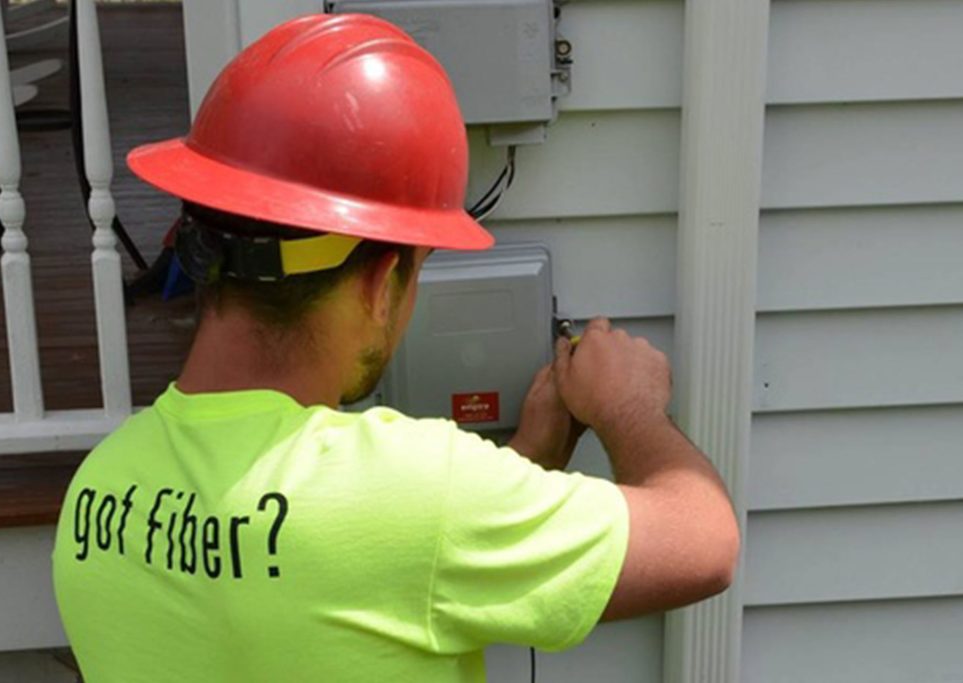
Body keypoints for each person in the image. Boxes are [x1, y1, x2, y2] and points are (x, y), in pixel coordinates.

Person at [52, 13, 739, 683]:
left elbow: (341, 582)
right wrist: (630, 406)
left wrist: (530, 461)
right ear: (383, 282)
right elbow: (705, 540)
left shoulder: (96, 495)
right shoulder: (423, 492)